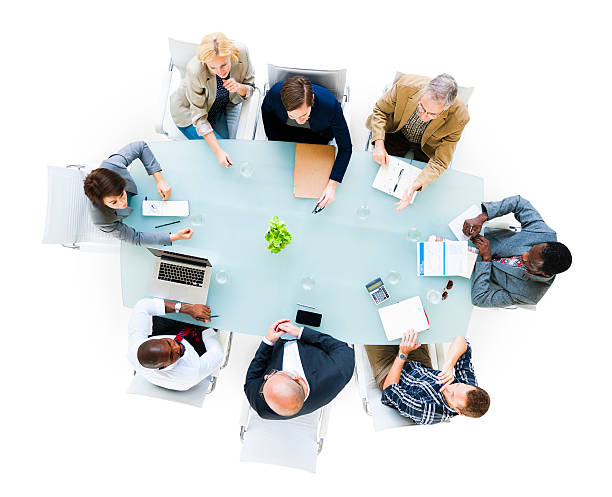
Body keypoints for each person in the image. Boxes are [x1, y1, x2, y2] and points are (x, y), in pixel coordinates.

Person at [366, 73, 469, 211]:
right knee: (376, 178)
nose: (423, 117)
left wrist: (417, 184)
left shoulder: (459, 117)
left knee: (421, 196)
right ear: (423, 93)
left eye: (432, 114)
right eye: (422, 107)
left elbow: (440, 161)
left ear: (445, 109)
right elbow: (380, 110)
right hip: (398, 132)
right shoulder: (405, 86)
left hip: (427, 146)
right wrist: (379, 144)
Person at [462, 195, 572, 307]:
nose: (524, 255)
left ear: (544, 274)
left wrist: (486, 260)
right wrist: (482, 217)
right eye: (530, 250)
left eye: (529, 261)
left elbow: (480, 299)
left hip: (469, 273)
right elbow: (519, 203)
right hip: (473, 237)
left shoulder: (529, 295)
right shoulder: (543, 234)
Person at [261, 76, 352, 207]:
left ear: (312, 99)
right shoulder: (275, 94)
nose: (299, 121)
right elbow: (266, 110)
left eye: (303, 114)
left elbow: (346, 148)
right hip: (285, 133)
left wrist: (332, 186)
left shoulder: (330, 105)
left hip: (318, 137)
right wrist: (273, 140)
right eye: (293, 116)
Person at [365, 330, 490, 425]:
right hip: (419, 364)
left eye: (452, 396)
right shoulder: (468, 389)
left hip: (390, 373)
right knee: (410, 321)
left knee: (372, 329)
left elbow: (389, 389)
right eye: (456, 385)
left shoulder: (427, 411)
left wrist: (403, 354)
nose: (448, 388)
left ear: (458, 412)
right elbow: (462, 341)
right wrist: (449, 365)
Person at [169, 32, 255, 167]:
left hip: (217, 108)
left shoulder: (241, 53)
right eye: (212, 67)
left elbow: (250, 87)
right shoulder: (195, 70)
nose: (220, 72)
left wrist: (238, 87)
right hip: (189, 114)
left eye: (224, 65)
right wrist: (218, 151)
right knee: (219, 155)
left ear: (231, 54)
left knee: (229, 152)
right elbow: (199, 117)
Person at [83, 141, 193, 246]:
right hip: (134, 219)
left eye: (121, 194)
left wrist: (159, 180)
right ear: (102, 203)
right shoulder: (101, 220)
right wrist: (174, 237)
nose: (122, 203)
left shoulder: (112, 165)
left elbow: (140, 146)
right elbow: (136, 238)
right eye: (114, 202)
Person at [244, 319, 354, 420]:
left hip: (276, 338)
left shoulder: (262, 407)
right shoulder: (338, 373)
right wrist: (300, 332)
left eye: (264, 384)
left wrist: (269, 342)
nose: (266, 376)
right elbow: (340, 348)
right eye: (273, 373)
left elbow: (251, 380)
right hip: (315, 328)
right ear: (297, 379)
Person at [127, 298, 224, 391]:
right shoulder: (191, 371)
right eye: (172, 355)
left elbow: (142, 306)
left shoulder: (135, 349)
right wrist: (202, 325)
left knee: (170, 296)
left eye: (169, 343)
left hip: (167, 332)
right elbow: (217, 353)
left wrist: (187, 309)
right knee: (213, 307)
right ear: (163, 367)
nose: (177, 347)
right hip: (195, 346)